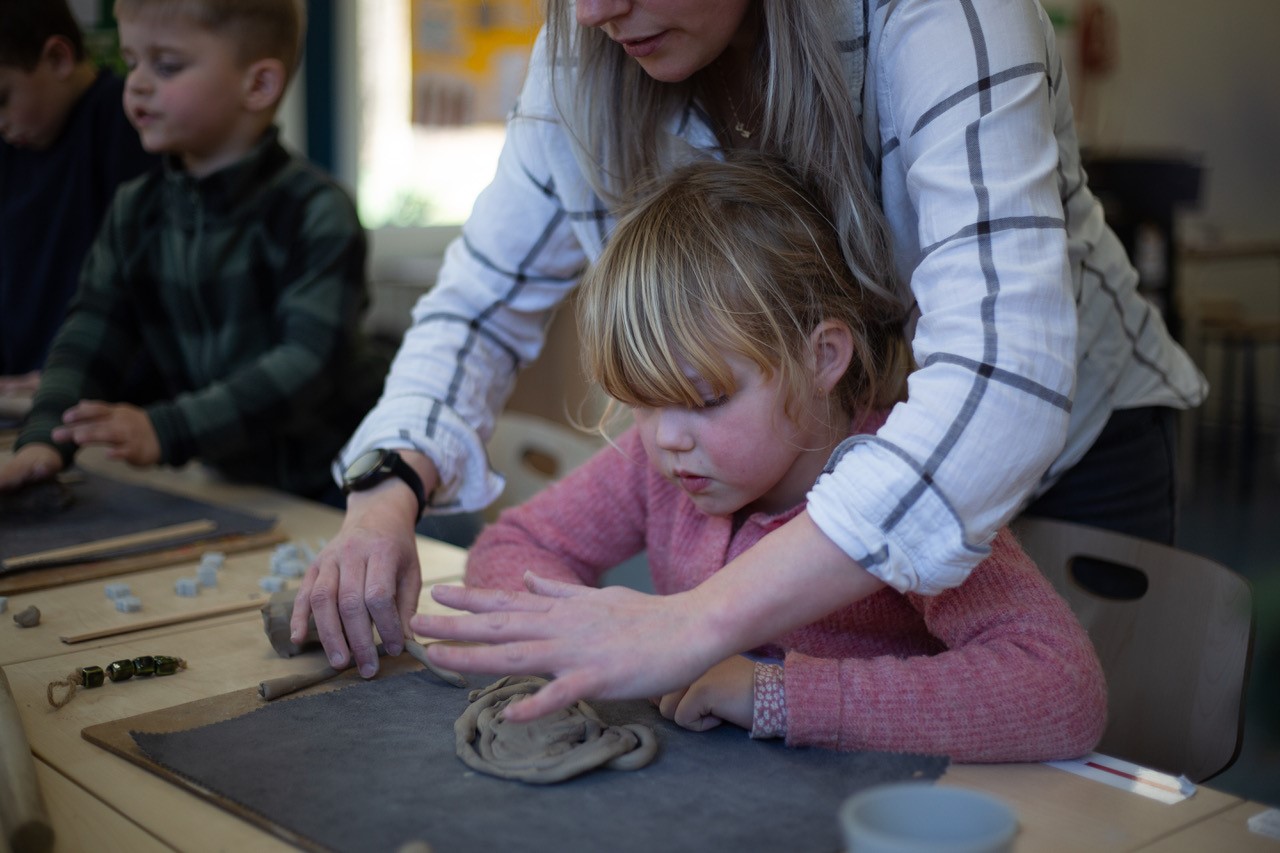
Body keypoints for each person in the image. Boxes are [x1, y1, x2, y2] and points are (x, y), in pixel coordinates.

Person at [295, 0, 1206, 718]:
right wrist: (384, 494)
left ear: (822, 353)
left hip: (1062, 436)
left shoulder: (935, 15)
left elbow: (1000, 383)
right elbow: (476, 307)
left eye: (699, 396)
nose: (593, 12)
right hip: (824, 430)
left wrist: (702, 632)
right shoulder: (586, 47)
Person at [455, 155, 1107, 760]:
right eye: (642, 403)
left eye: (706, 398)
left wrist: (775, 693)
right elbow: (517, 542)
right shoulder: (662, 459)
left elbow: (1062, 690)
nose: (665, 438)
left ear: (822, 357)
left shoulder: (909, 488)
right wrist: (582, 640)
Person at [0, 0, 388, 505]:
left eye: (166, 66)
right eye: (132, 61)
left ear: (258, 85)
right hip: (234, 484)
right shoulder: (135, 210)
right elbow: (89, 334)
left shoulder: (316, 210)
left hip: (347, 483)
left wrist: (166, 428)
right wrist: (43, 440)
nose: (136, 84)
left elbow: (305, 365)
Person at [0, 0, 156, 389]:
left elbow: (142, 294)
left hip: (97, 392)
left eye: (2, 99)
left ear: (59, 58)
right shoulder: (11, 147)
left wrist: (66, 380)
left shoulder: (128, 126)